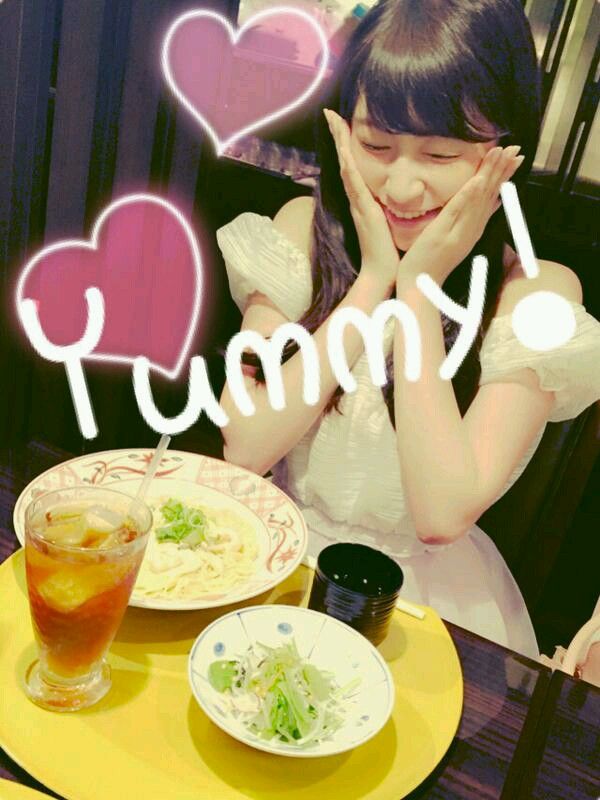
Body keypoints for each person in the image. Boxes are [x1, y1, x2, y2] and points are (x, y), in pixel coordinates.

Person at [215, 0, 600, 658]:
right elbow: (247, 446)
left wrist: (418, 290)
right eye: (375, 146)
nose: (400, 187)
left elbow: (441, 513)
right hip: (276, 550)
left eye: (440, 153)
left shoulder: (535, 297)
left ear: (506, 155)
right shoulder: (298, 236)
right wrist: (372, 281)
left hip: (420, 602)